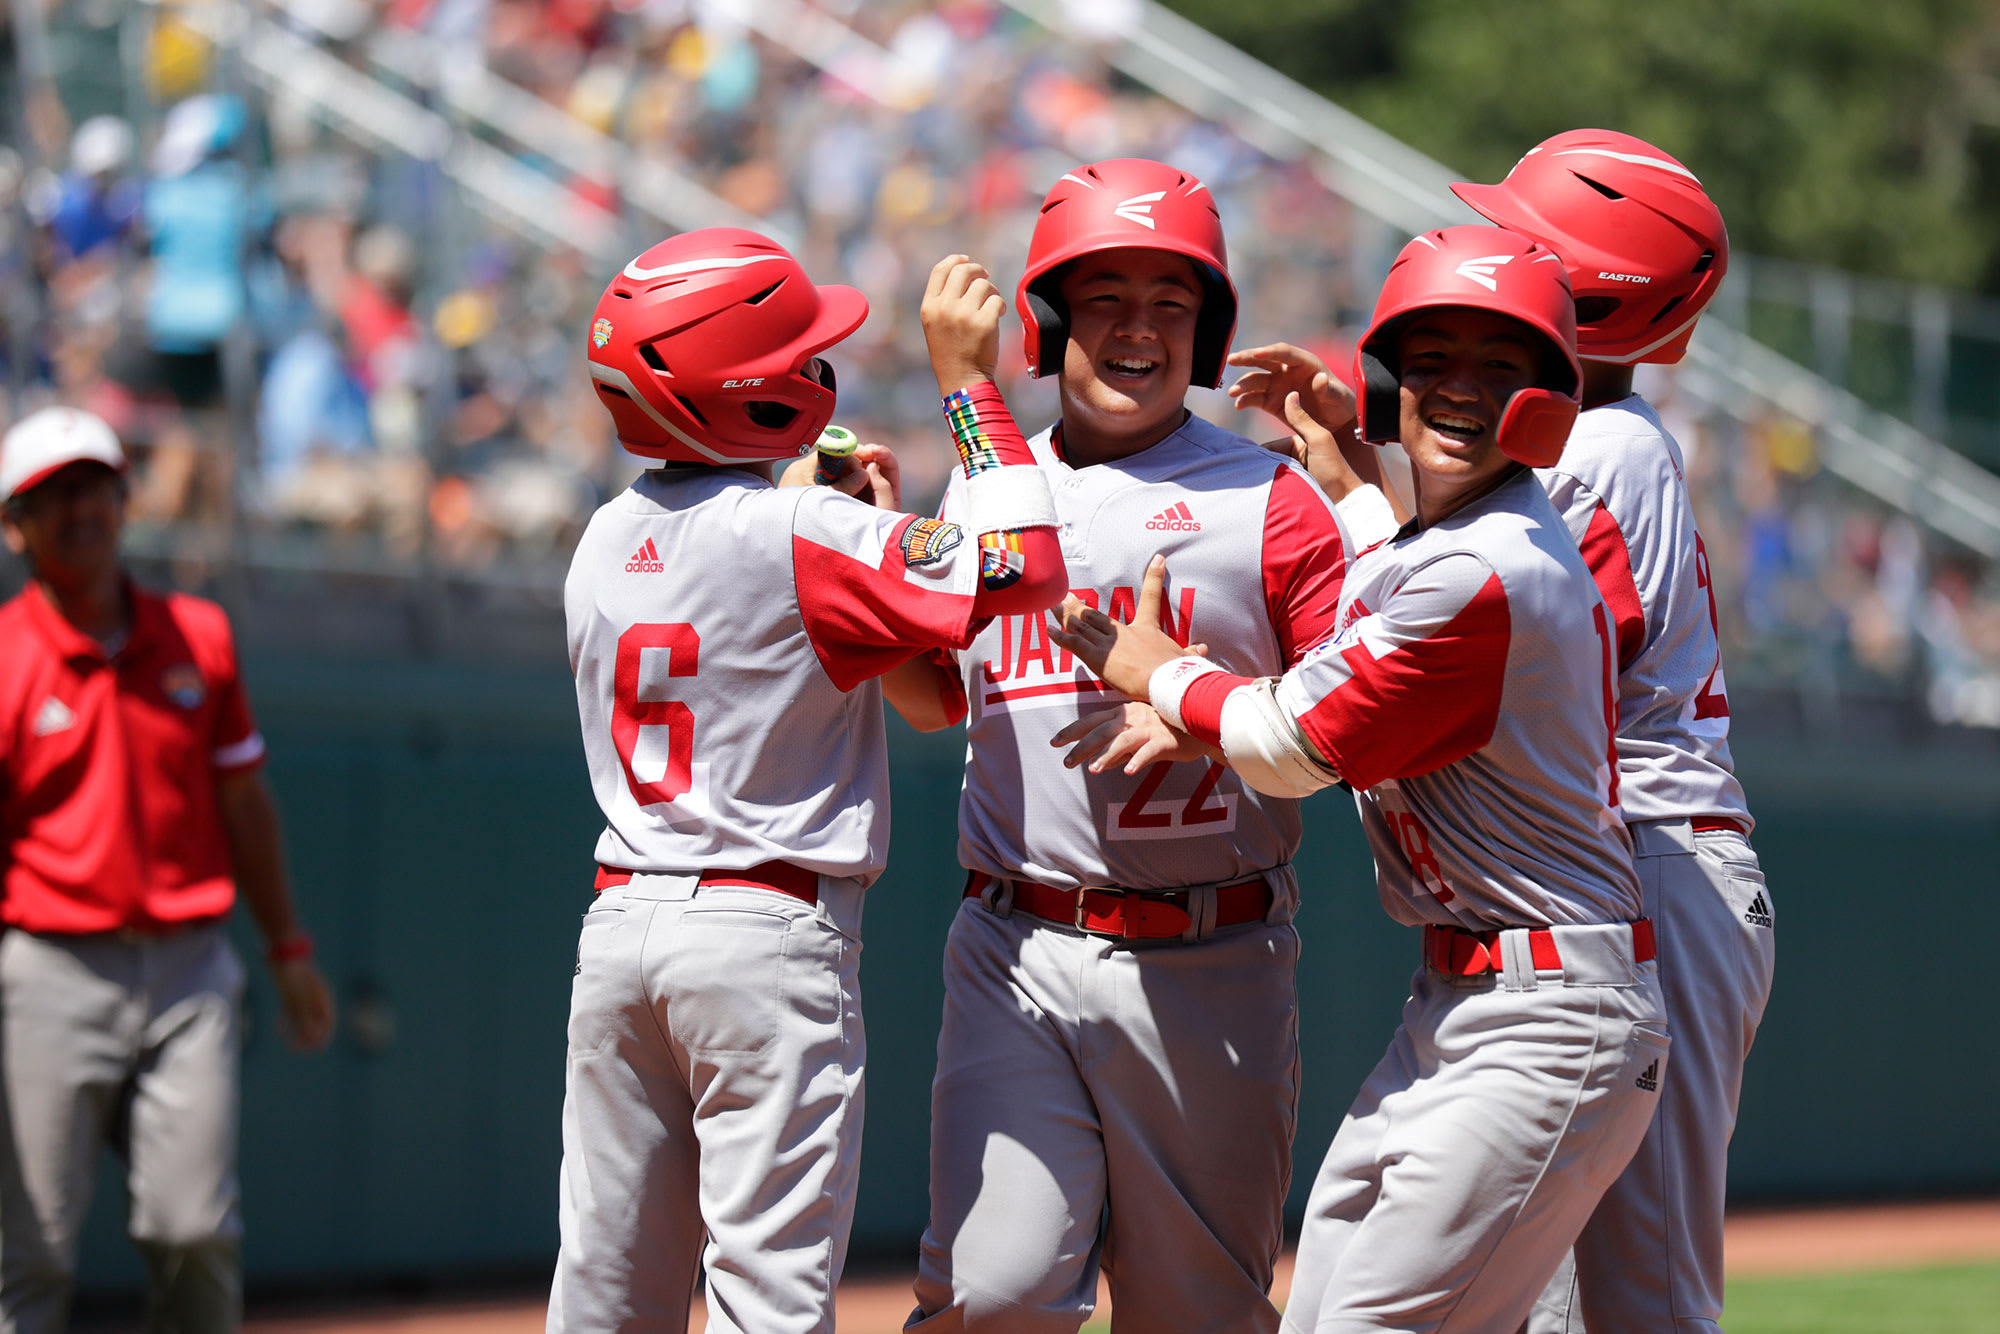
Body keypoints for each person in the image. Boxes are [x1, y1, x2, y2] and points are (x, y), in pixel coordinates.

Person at [1053, 225, 1668, 1333]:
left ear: (1546, 397)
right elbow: (1383, 578)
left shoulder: (1492, 565)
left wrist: (1161, 671)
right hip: (1468, 999)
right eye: (1429, 362)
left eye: (1495, 367)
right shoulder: (1462, 544)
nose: (1455, 389)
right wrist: (1341, 464)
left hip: (1545, 1011)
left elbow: (1288, 747)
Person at [888, 157, 1382, 1334]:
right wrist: (860, 567)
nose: (1137, 329)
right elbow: (931, 697)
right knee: (988, 1298)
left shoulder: (1267, 498)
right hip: (1012, 942)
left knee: (1198, 1315)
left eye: (1171, 303)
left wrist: (1203, 712)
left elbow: (1360, 717)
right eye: (1104, 297)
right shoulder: (982, 485)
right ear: (1047, 319)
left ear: (1206, 331)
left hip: (1211, 958)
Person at [548, 229, 1067, 1333]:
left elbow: (862, 651)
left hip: (621, 925)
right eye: (794, 352)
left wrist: (839, 518)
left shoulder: (600, 537)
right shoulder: (801, 529)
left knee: (605, 1285)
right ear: (747, 383)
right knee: (768, 1294)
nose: (814, 365)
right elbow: (1026, 565)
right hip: (760, 935)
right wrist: (969, 390)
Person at [1451, 128, 1774, 1334]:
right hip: (1628, 861)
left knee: (1636, 1296)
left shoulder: (1593, 446)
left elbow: (1503, 642)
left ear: (1580, 290)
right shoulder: (1589, 439)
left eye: (1518, 244)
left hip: (1654, 859)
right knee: (1539, 1292)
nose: (1490, 256)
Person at [0, 405, 335, 1333]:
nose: (80, 511)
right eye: (51, 495)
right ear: (14, 525)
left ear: (125, 497)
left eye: (95, 488)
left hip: (189, 968)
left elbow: (244, 805)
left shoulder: (199, 636)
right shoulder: (6, 656)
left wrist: (288, 947)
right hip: (48, 970)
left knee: (193, 1231)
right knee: (30, 1251)